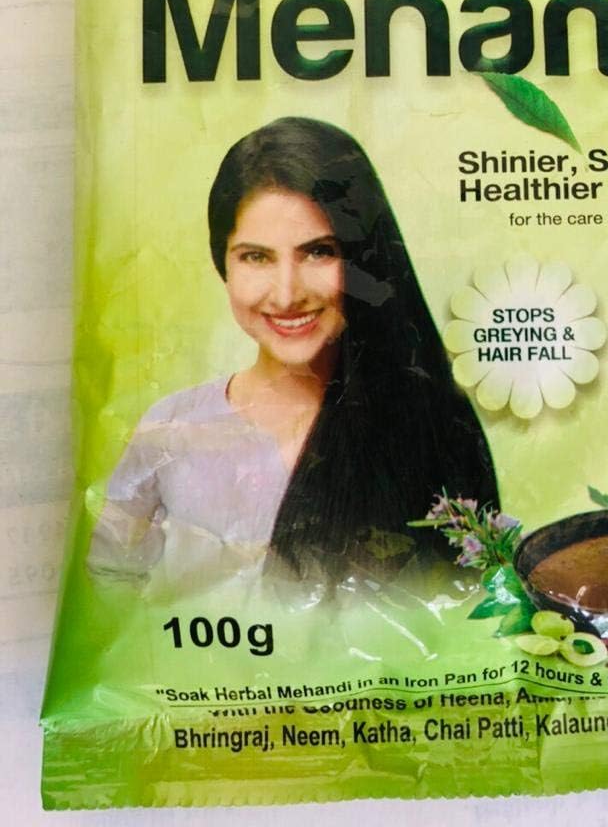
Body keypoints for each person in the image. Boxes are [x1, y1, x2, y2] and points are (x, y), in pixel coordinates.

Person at [88, 117, 498, 588]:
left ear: (364, 258)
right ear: (223, 263)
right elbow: (108, 587)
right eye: (256, 256)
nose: (286, 295)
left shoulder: (434, 426)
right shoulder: (172, 429)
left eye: (318, 251)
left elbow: (474, 601)